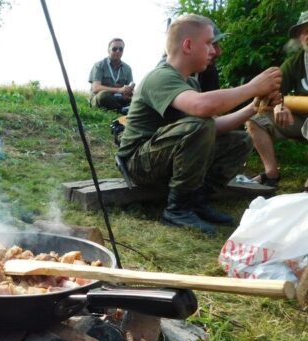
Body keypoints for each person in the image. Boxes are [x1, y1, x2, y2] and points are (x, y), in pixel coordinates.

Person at [117, 14, 282, 234]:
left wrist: (254, 107)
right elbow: (201, 109)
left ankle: (198, 201)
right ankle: (178, 209)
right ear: (188, 45)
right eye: (208, 44)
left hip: (163, 156)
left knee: (239, 140)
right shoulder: (160, 77)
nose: (214, 51)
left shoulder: (191, 81)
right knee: (200, 124)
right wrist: (253, 87)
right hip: (138, 163)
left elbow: (214, 126)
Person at [246, 10, 308, 188]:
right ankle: (271, 175)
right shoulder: (294, 63)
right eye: (303, 31)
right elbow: (270, 93)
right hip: (300, 119)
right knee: (255, 120)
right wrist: (280, 105)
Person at [88, 38, 134, 112]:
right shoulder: (99, 65)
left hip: (119, 98)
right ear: (108, 50)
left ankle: (122, 109)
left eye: (121, 49)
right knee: (103, 95)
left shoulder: (127, 68)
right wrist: (119, 90)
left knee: (139, 99)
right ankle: (122, 110)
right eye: (114, 49)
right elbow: (96, 88)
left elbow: (129, 90)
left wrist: (129, 94)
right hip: (101, 98)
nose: (118, 51)